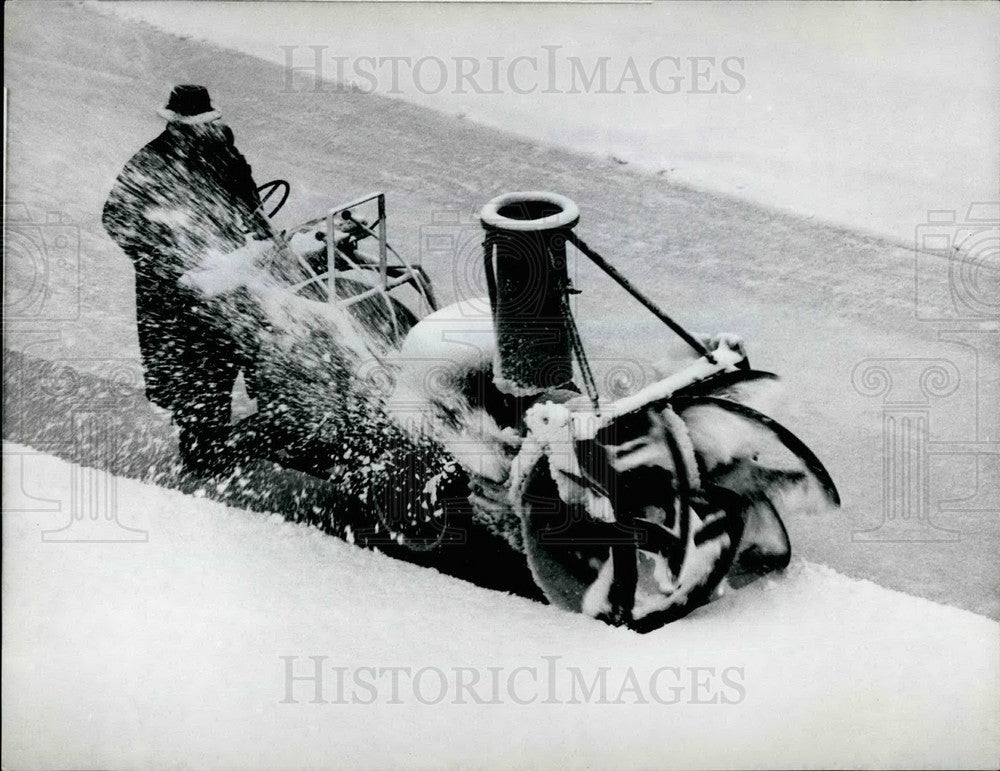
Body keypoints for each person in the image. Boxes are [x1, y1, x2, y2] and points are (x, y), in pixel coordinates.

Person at [103, 85, 270, 475]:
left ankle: (228, 437)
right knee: (194, 372)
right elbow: (116, 218)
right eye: (188, 126)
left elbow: (249, 204)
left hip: (223, 274)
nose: (193, 132)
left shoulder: (223, 152)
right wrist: (165, 264)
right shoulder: (151, 163)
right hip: (176, 290)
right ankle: (202, 455)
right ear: (175, 125)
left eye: (199, 125)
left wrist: (259, 237)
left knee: (230, 356)